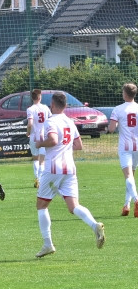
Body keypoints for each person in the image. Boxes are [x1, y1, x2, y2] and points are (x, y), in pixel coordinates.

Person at [33, 91, 105, 257]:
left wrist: (40, 143)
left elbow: (53, 140)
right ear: (65, 106)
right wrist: (64, 148)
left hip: (53, 169)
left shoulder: (51, 121)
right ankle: (95, 225)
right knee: (74, 207)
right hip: (69, 169)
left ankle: (47, 243)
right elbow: (78, 145)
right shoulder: (70, 122)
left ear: (52, 105)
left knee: (41, 206)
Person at [107, 82, 138, 217]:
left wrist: (109, 128)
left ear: (125, 93)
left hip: (125, 147)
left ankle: (136, 200)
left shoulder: (118, 109)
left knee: (128, 176)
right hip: (137, 146)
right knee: (131, 176)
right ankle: (126, 205)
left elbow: (112, 129)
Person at [25, 89, 51, 189]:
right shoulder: (45, 108)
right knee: (42, 160)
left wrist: (28, 132)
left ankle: (37, 178)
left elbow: (30, 123)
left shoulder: (30, 109)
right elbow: (50, 120)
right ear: (40, 97)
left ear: (32, 98)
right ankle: (40, 179)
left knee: (35, 159)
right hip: (44, 136)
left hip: (34, 137)